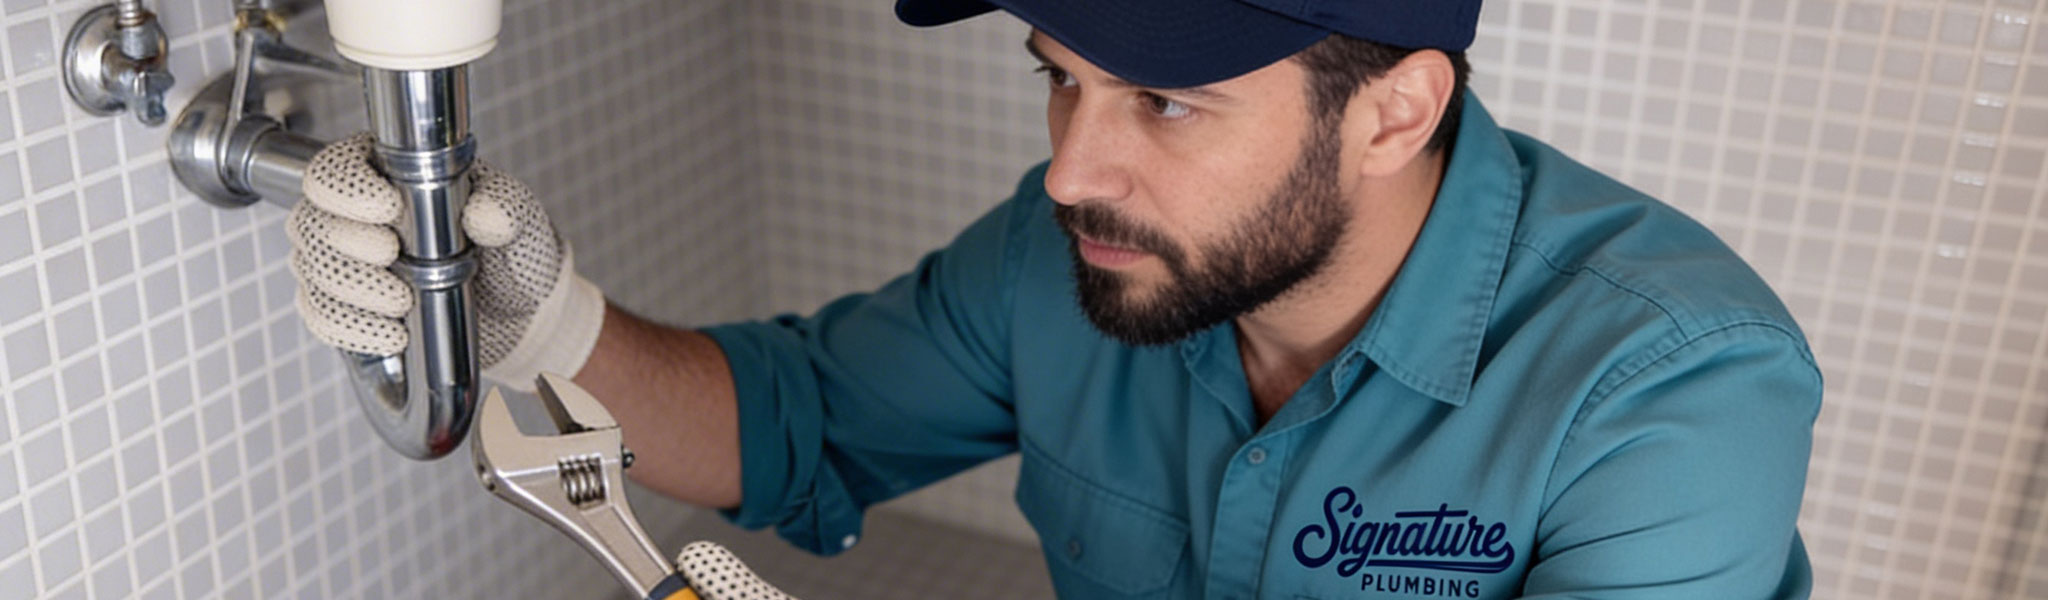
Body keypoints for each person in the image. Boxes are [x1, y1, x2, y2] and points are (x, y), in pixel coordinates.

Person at [286, 0, 1823, 597]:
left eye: (1164, 102)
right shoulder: (1071, 252)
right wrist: (539, 325)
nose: (1076, 165)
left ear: (1394, 113)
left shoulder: (1675, 390)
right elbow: (792, 421)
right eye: (1059, 79)